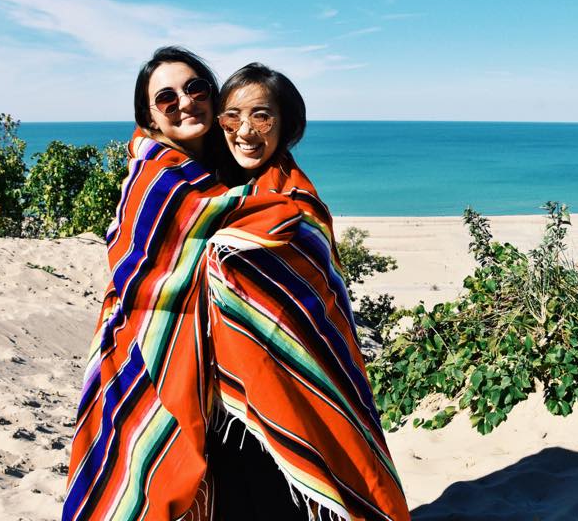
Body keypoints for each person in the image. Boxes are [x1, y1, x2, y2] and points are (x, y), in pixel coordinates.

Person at [63, 51, 409, 521]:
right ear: (150, 116)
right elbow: (140, 278)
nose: (184, 102)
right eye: (166, 98)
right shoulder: (155, 181)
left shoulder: (277, 190)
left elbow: (313, 295)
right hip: (167, 368)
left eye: (196, 89)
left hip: (269, 384)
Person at [203, 63, 410, 520]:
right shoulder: (205, 195)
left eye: (262, 115)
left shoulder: (299, 207)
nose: (245, 130)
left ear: (287, 124)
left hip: (290, 392)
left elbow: (319, 314)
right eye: (231, 116)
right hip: (219, 398)